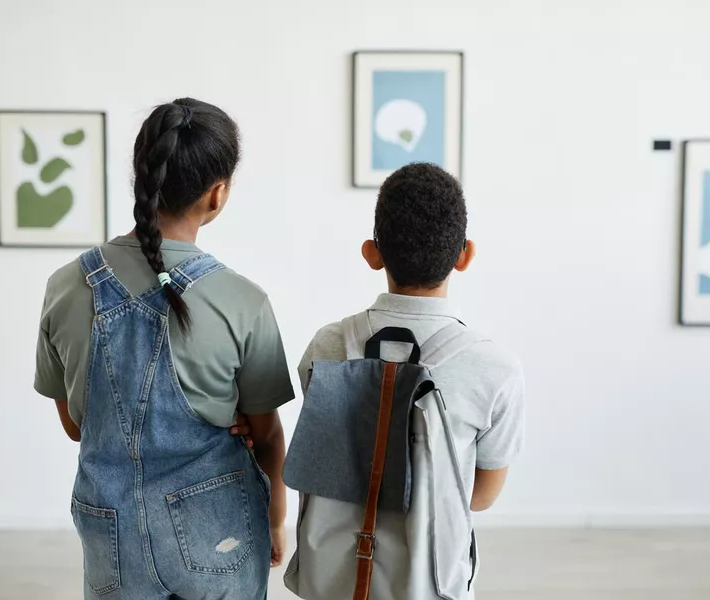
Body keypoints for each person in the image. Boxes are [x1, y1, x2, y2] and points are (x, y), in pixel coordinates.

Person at [34, 98, 293, 600]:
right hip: (218, 531)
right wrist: (277, 519)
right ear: (216, 195)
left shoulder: (66, 286)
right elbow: (267, 436)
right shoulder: (244, 301)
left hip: (110, 531)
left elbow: (75, 425)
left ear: (141, 175)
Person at [286, 163, 525, 599]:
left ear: (372, 253)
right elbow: (480, 495)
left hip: (334, 580)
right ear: (465, 254)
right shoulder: (494, 367)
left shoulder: (328, 346)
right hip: (428, 584)